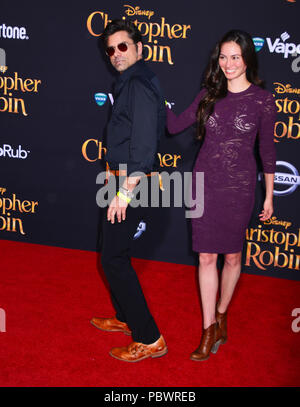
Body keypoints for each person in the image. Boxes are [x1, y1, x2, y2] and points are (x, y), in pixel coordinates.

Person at [167, 30, 276, 361]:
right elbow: (174, 126)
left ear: (247, 60)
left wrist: (269, 196)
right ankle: (208, 327)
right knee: (205, 257)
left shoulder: (262, 100)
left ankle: (223, 312)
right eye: (223, 57)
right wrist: (153, 99)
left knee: (231, 257)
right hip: (204, 183)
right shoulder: (208, 95)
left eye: (235, 57)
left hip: (240, 187)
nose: (228, 64)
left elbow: (268, 151)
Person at [90, 19, 167, 362]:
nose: (116, 54)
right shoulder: (131, 81)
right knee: (112, 253)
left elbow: (145, 143)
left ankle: (150, 337)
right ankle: (126, 317)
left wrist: (125, 191)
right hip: (118, 178)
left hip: (129, 183)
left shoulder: (139, 84)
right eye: (111, 49)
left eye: (123, 46)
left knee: (114, 260)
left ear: (139, 48)